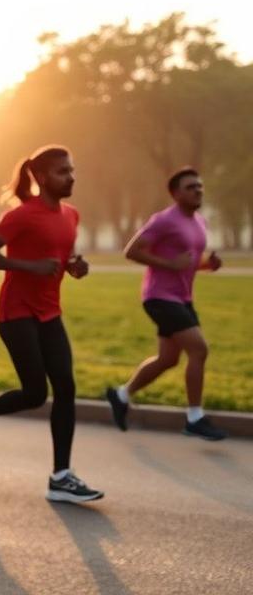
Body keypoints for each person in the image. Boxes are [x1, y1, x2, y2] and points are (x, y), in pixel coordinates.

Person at [0, 145, 103, 503]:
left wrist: (74, 266)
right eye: (61, 172)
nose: (70, 177)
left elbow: (60, 255)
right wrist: (29, 266)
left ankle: (61, 476)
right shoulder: (22, 215)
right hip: (16, 312)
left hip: (50, 311)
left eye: (71, 170)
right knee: (36, 393)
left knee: (65, 388)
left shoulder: (72, 215)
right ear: (40, 177)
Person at [106, 168, 227, 440]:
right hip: (159, 297)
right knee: (199, 349)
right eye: (190, 187)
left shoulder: (199, 222)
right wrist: (169, 264)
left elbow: (188, 263)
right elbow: (132, 250)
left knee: (168, 359)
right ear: (175, 193)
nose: (198, 190)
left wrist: (209, 265)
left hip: (182, 298)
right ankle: (195, 417)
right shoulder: (164, 220)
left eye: (200, 186)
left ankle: (121, 394)